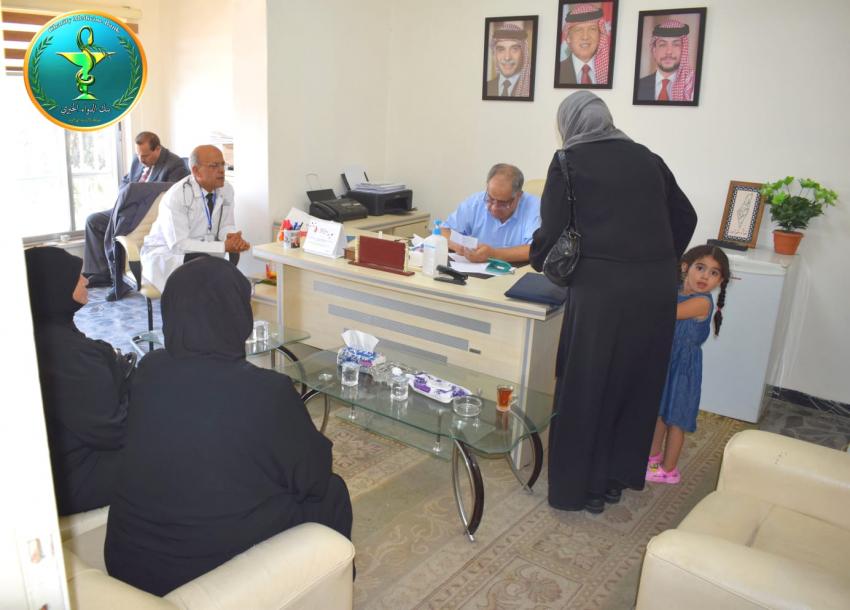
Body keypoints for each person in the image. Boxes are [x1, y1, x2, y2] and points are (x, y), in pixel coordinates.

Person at [104, 256, 353, 596]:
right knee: (332, 492)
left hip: (128, 559)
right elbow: (313, 477)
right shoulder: (267, 391)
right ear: (238, 315)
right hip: (201, 571)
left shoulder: (148, 370)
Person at [530, 91, 697, 514]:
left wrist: (539, 259)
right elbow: (686, 216)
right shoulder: (648, 158)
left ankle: (577, 490)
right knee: (633, 381)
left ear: (569, 123)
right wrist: (658, 260)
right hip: (654, 289)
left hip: (601, 292)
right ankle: (614, 481)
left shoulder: (568, 160)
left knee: (587, 385)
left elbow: (552, 229)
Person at [25, 247, 132, 515]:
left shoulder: (43, 332)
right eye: (76, 276)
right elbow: (114, 430)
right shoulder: (67, 355)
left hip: (64, 462)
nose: (86, 280)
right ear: (54, 287)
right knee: (176, 447)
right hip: (77, 478)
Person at [647, 245, 730, 484]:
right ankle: (653, 458)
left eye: (714, 273)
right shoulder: (676, 291)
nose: (705, 276)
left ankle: (669, 470)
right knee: (660, 413)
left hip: (683, 367)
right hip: (667, 360)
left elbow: (665, 312)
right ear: (685, 267)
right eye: (700, 268)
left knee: (676, 419)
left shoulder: (702, 302)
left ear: (720, 281)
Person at [83, 132, 189, 292]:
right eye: (138, 154)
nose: (141, 159)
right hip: (127, 206)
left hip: (146, 213)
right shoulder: (138, 159)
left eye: (145, 155)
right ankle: (100, 274)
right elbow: (126, 181)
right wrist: (127, 194)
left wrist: (135, 190)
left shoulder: (174, 164)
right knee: (93, 220)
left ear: (157, 149)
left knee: (119, 227)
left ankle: (119, 279)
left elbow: (172, 193)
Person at [140, 144, 250, 292]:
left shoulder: (226, 189)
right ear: (196, 171)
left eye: (223, 165)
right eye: (214, 166)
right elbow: (179, 245)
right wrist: (223, 246)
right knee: (212, 275)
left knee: (226, 276)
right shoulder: (176, 196)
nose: (221, 170)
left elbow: (226, 225)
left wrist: (232, 238)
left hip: (204, 253)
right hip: (170, 255)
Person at [441, 164, 540, 263]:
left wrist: (494, 254)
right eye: (490, 199)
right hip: (475, 267)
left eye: (503, 203)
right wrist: (460, 247)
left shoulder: (535, 208)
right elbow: (443, 231)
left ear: (519, 196)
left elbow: (536, 249)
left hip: (516, 268)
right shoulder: (476, 202)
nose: (494, 207)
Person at [636, 19, 696, 102]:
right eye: (662, 45)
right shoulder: (639, 85)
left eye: (676, 44)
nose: (669, 52)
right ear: (654, 51)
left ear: (684, 50)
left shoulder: (692, 86)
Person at [557, 3, 610, 86]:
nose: (585, 37)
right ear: (568, 37)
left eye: (592, 29)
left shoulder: (609, 71)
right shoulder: (557, 71)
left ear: (600, 35)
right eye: (578, 30)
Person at [486, 23, 532, 98]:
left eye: (514, 49)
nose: (507, 57)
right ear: (494, 54)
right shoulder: (487, 87)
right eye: (501, 50)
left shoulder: (529, 89)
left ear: (524, 53)